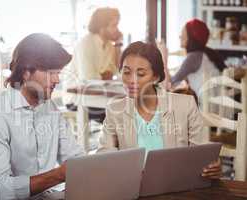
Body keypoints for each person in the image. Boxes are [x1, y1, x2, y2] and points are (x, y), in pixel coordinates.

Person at [0, 33, 85, 200]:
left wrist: (93, 168)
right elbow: (0, 191)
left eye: (58, 72)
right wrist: (59, 175)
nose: (57, 79)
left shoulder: (49, 107)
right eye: (49, 72)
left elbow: (74, 157)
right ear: (25, 72)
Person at [99, 41, 222, 179]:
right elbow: (105, 155)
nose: (131, 80)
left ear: (156, 77)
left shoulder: (185, 105)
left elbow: (202, 154)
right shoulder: (115, 110)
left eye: (140, 74)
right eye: (126, 72)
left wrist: (212, 166)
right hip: (133, 187)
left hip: (175, 186)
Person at [62, 7, 122, 123]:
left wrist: (118, 45)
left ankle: (114, 140)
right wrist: (103, 76)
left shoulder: (109, 45)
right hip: (76, 99)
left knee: (124, 112)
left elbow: (115, 72)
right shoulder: (86, 43)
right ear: (102, 27)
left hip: (98, 97)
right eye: (114, 25)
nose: (117, 30)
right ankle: (111, 141)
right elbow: (88, 78)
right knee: (118, 116)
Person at [160, 19, 227, 104]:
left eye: (183, 33)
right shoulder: (207, 53)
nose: (180, 36)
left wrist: (163, 57)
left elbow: (168, 85)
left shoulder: (193, 57)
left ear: (190, 37)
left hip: (207, 111)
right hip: (219, 108)